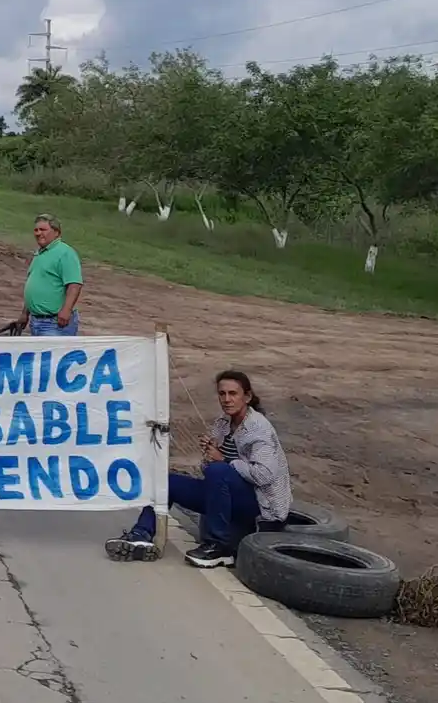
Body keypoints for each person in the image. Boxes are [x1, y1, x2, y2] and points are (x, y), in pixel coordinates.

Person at [106, 370, 293, 569]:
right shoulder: (222, 423)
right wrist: (209, 455)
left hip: (259, 504)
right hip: (228, 494)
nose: (227, 399)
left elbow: (264, 475)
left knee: (218, 471)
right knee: (168, 482)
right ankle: (141, 534)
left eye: (233, 394)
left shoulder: (258, 429)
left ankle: (219, 547)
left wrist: (224, 459)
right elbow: (210, 471)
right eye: (222, 394)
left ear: (247, 397)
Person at [18, 213, 83, 335]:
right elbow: (35, 285)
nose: (38, 233)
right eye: (36, 230)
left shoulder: (65, 253)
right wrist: (24, 313)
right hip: (36, 321)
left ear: (56, 232)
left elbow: (74, 284)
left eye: (43, 230)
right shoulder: (39, 254)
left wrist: (66, 310)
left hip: (55, 323)